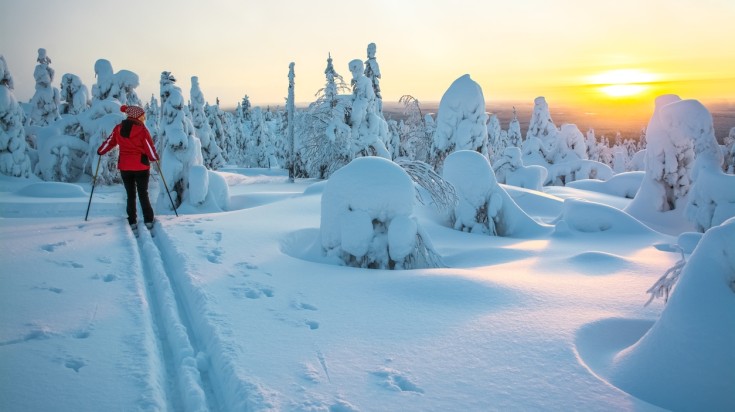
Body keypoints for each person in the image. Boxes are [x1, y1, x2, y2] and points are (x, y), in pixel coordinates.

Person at [97, 105, 159, 233]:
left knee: (130, 194)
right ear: (137, 116)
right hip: (141, 167)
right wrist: (154, 158)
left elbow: (110, 142)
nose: (143, 118)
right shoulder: (142, 129)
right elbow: (149, 146)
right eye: (142, 116)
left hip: (125, 167)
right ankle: (148, 220)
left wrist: (101, 151)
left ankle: (132, 221)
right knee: (143, 193)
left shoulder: (118, 128)